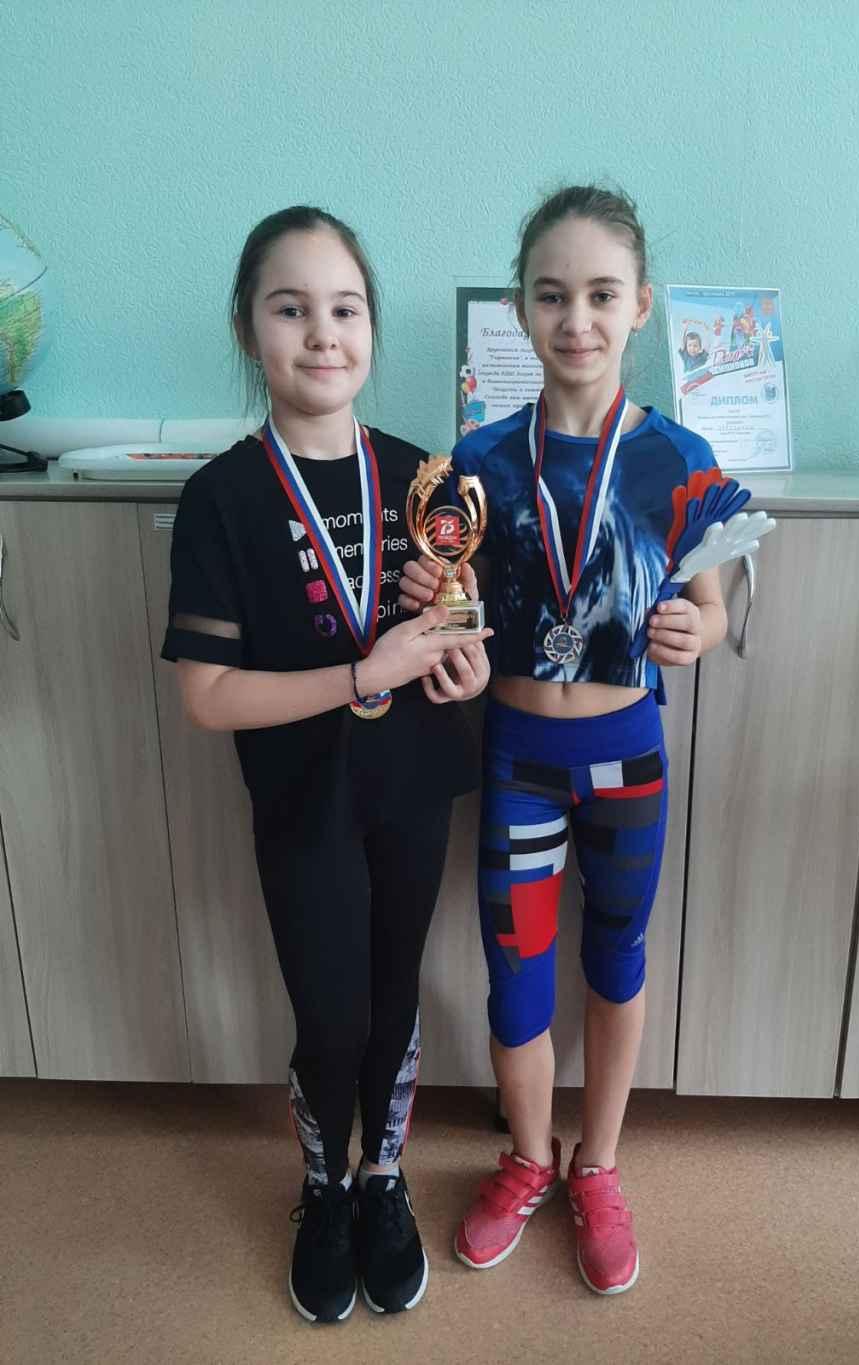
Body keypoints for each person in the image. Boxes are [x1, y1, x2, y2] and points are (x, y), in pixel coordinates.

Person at [161, 206, 491, 1323]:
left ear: (371, 327)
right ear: (248, 330)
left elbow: (460, 641)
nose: (322, 334)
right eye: (290, 309)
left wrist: (461, 671)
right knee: (332, 1014)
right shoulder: (222, 498)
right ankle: (323, 1182)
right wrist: (363, 673)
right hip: (302, 802)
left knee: (395, 1001)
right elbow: (207, 695)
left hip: (411, 791)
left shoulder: (426, 480)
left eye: (345, 309)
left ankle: (382, 1178)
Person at [401, 185, 732, 1296]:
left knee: (617, 959)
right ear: (520, 310)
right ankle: (528, 1159)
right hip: (517, 763)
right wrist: (437, 619)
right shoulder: (479, 460)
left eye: (600, 294)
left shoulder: (681, 455)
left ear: (640, 305)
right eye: (551, 295)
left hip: (629, 759)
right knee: (517, 981)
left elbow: (712, 603)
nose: (575, 319)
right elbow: (453, 608)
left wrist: (699, 628)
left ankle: (599, 1165)